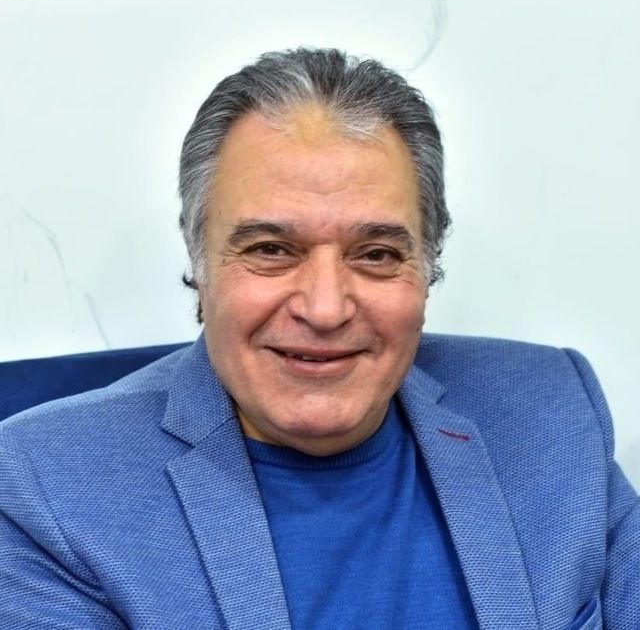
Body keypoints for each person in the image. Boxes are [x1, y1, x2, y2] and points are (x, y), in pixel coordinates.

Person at [0, 48, 637, 630]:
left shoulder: (553, 412)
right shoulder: (47, 486)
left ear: (428, 268)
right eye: (270, 249)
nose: (326, 309)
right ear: (199, 262)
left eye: (377, 253)